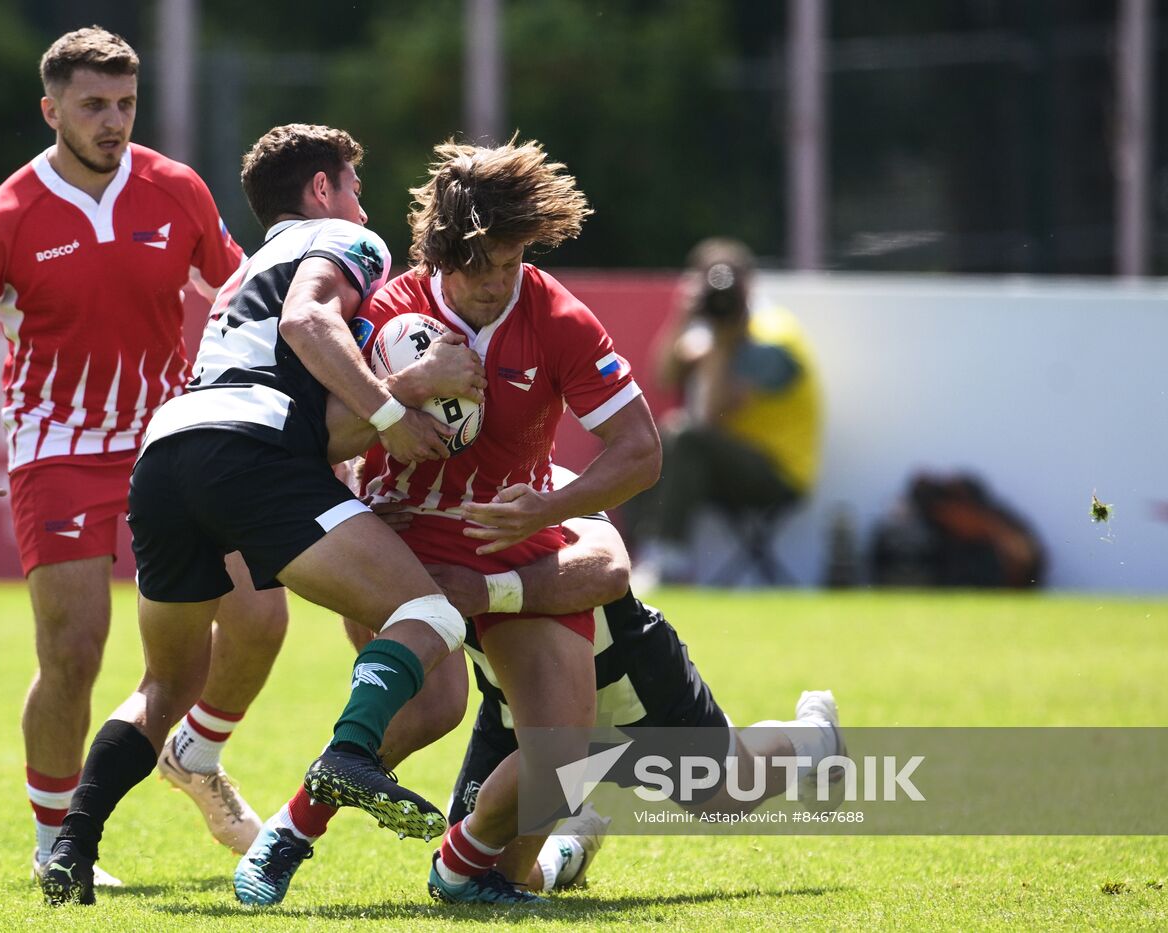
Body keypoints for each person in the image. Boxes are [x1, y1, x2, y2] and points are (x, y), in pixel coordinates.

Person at [40, 123, 487, 906]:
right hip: (251, 454)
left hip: (169, 452)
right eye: (354, 185)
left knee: (166, 679)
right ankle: (350, 755)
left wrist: (398, 395)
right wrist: (394, 407)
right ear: (322, 190)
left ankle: (71, 846)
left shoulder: (249, 269)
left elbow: (304, 401)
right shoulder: (348, 242)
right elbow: (307, 326)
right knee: (429, 614)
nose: (362, 201)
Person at [234, 137, 663, 907]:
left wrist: (550, 505)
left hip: (515, 536)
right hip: (405, 540)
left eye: (512, 262)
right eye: (480, 266)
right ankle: (290, 832)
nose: (498, 283)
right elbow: (328, 437)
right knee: (434, 706)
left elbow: (640, 450)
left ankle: (461, 865)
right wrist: (409, 386)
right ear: (440, 251)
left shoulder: (557, 315)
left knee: (565, 754)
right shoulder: (392, 309)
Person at [0, 26, 275, 886]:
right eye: (94, 105)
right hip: (59, 449)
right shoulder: (6, 216)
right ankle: (53, 844)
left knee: (258, 616)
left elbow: (247, 294)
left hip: (175, 441)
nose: (113, 121)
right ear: (51, 109)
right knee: (73, 652)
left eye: (126, 104)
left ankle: (198, 754)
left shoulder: (175, 190)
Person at [431, 490, 845, 894]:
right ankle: (570, 849)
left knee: (730, 794)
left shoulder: (541, 476)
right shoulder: (397, 508)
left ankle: (817, 734)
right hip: (518, 700)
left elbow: (608, 570)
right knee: (485, 879)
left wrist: (490, 590)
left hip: (625, 676)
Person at [633, 238, 822, 585]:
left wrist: (722, 341)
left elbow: (715, 413)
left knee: (684, 436)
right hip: (732, 464)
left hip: (777, 472)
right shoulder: (711, 333)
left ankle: (667, 561)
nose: (720, 297)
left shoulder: (772, 336)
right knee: (642, 444)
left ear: (750, 284)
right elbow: (663, 378)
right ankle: (638, 553)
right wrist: (682, 316)